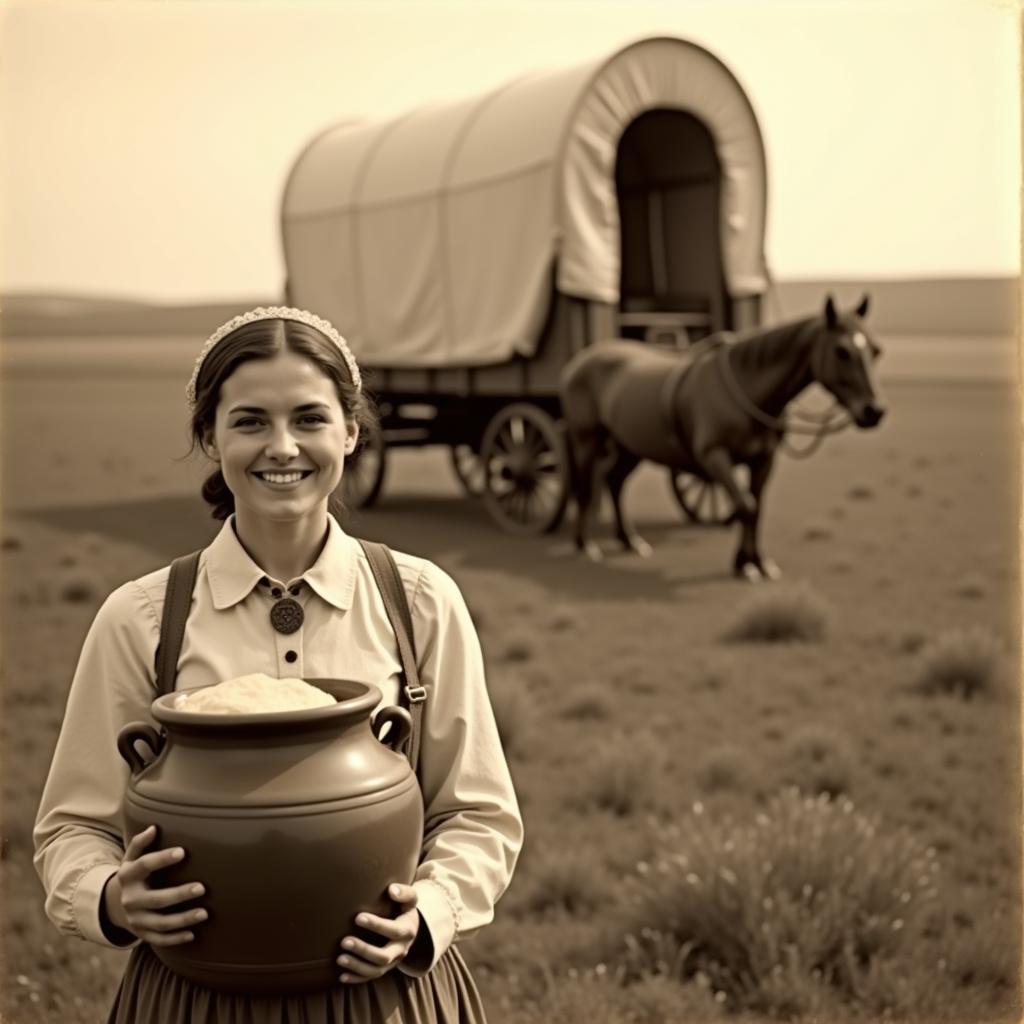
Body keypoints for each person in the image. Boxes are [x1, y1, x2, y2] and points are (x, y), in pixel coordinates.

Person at [33, 306, 523, 1023]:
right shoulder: (140, 620)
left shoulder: (419, 603)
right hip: (196, 1001)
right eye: (251, 421)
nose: (283, 447)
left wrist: (427, 916)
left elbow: (480, 815)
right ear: (211, 436)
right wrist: (112, 896)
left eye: (310, 419)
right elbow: (70, 828)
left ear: (350, 432)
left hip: (386, 999)